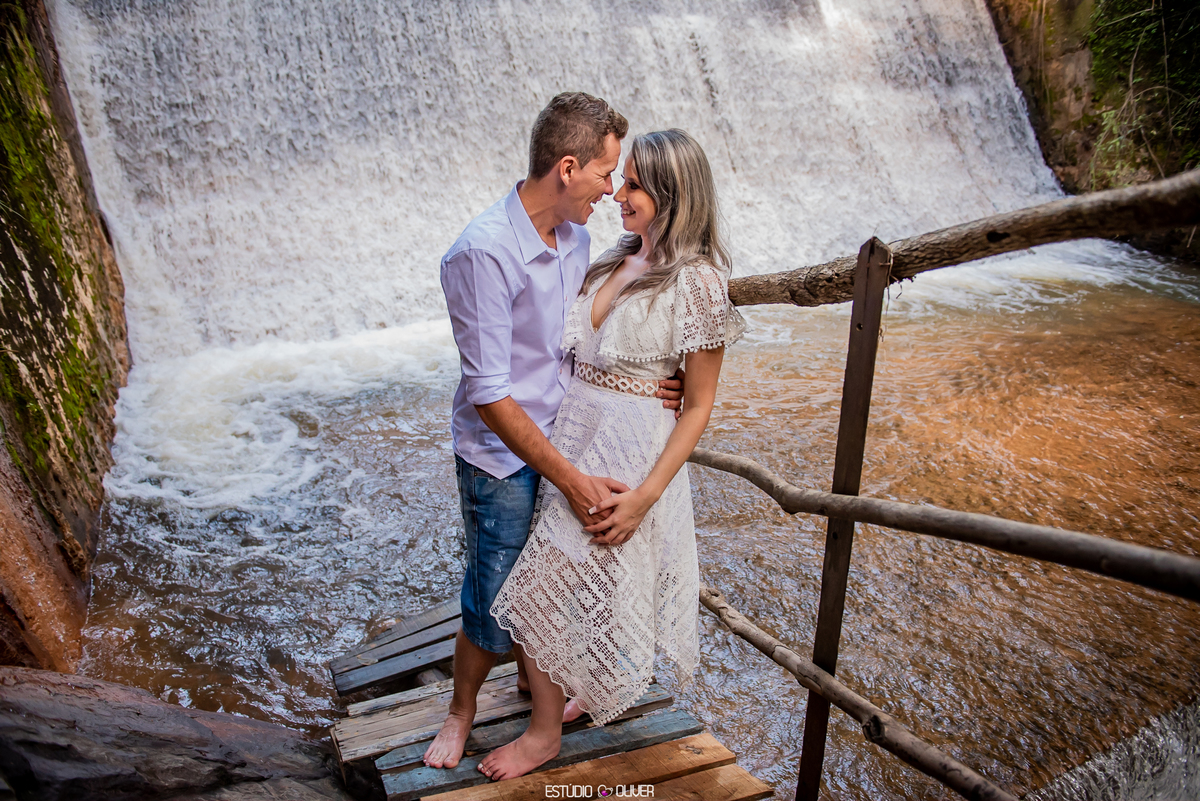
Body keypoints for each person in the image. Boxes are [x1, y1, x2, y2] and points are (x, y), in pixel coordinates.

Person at [424, 93, 684, 770]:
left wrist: (666, 378)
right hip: (501, 457)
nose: (612, 188)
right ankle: (461, 711)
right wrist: (569, 478)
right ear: (567, 168)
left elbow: (584, 341)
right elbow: (489, 395)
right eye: (606, 173)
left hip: (569, 438)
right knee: (492, 596)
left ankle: (533, 687)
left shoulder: (577, 239)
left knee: (551, 583)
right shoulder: (480, 254)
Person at [481, 129, 746, 780]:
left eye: (633, 186)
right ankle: (571, 698)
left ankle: (544, 733)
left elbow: (700, 403)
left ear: (673, 195)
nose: (617, 195)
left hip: (631, 454)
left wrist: (647, 496)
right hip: (575, 436)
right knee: (558, 577)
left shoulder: (700, 282)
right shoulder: (612, 258)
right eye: (620, 180)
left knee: (553, 577)